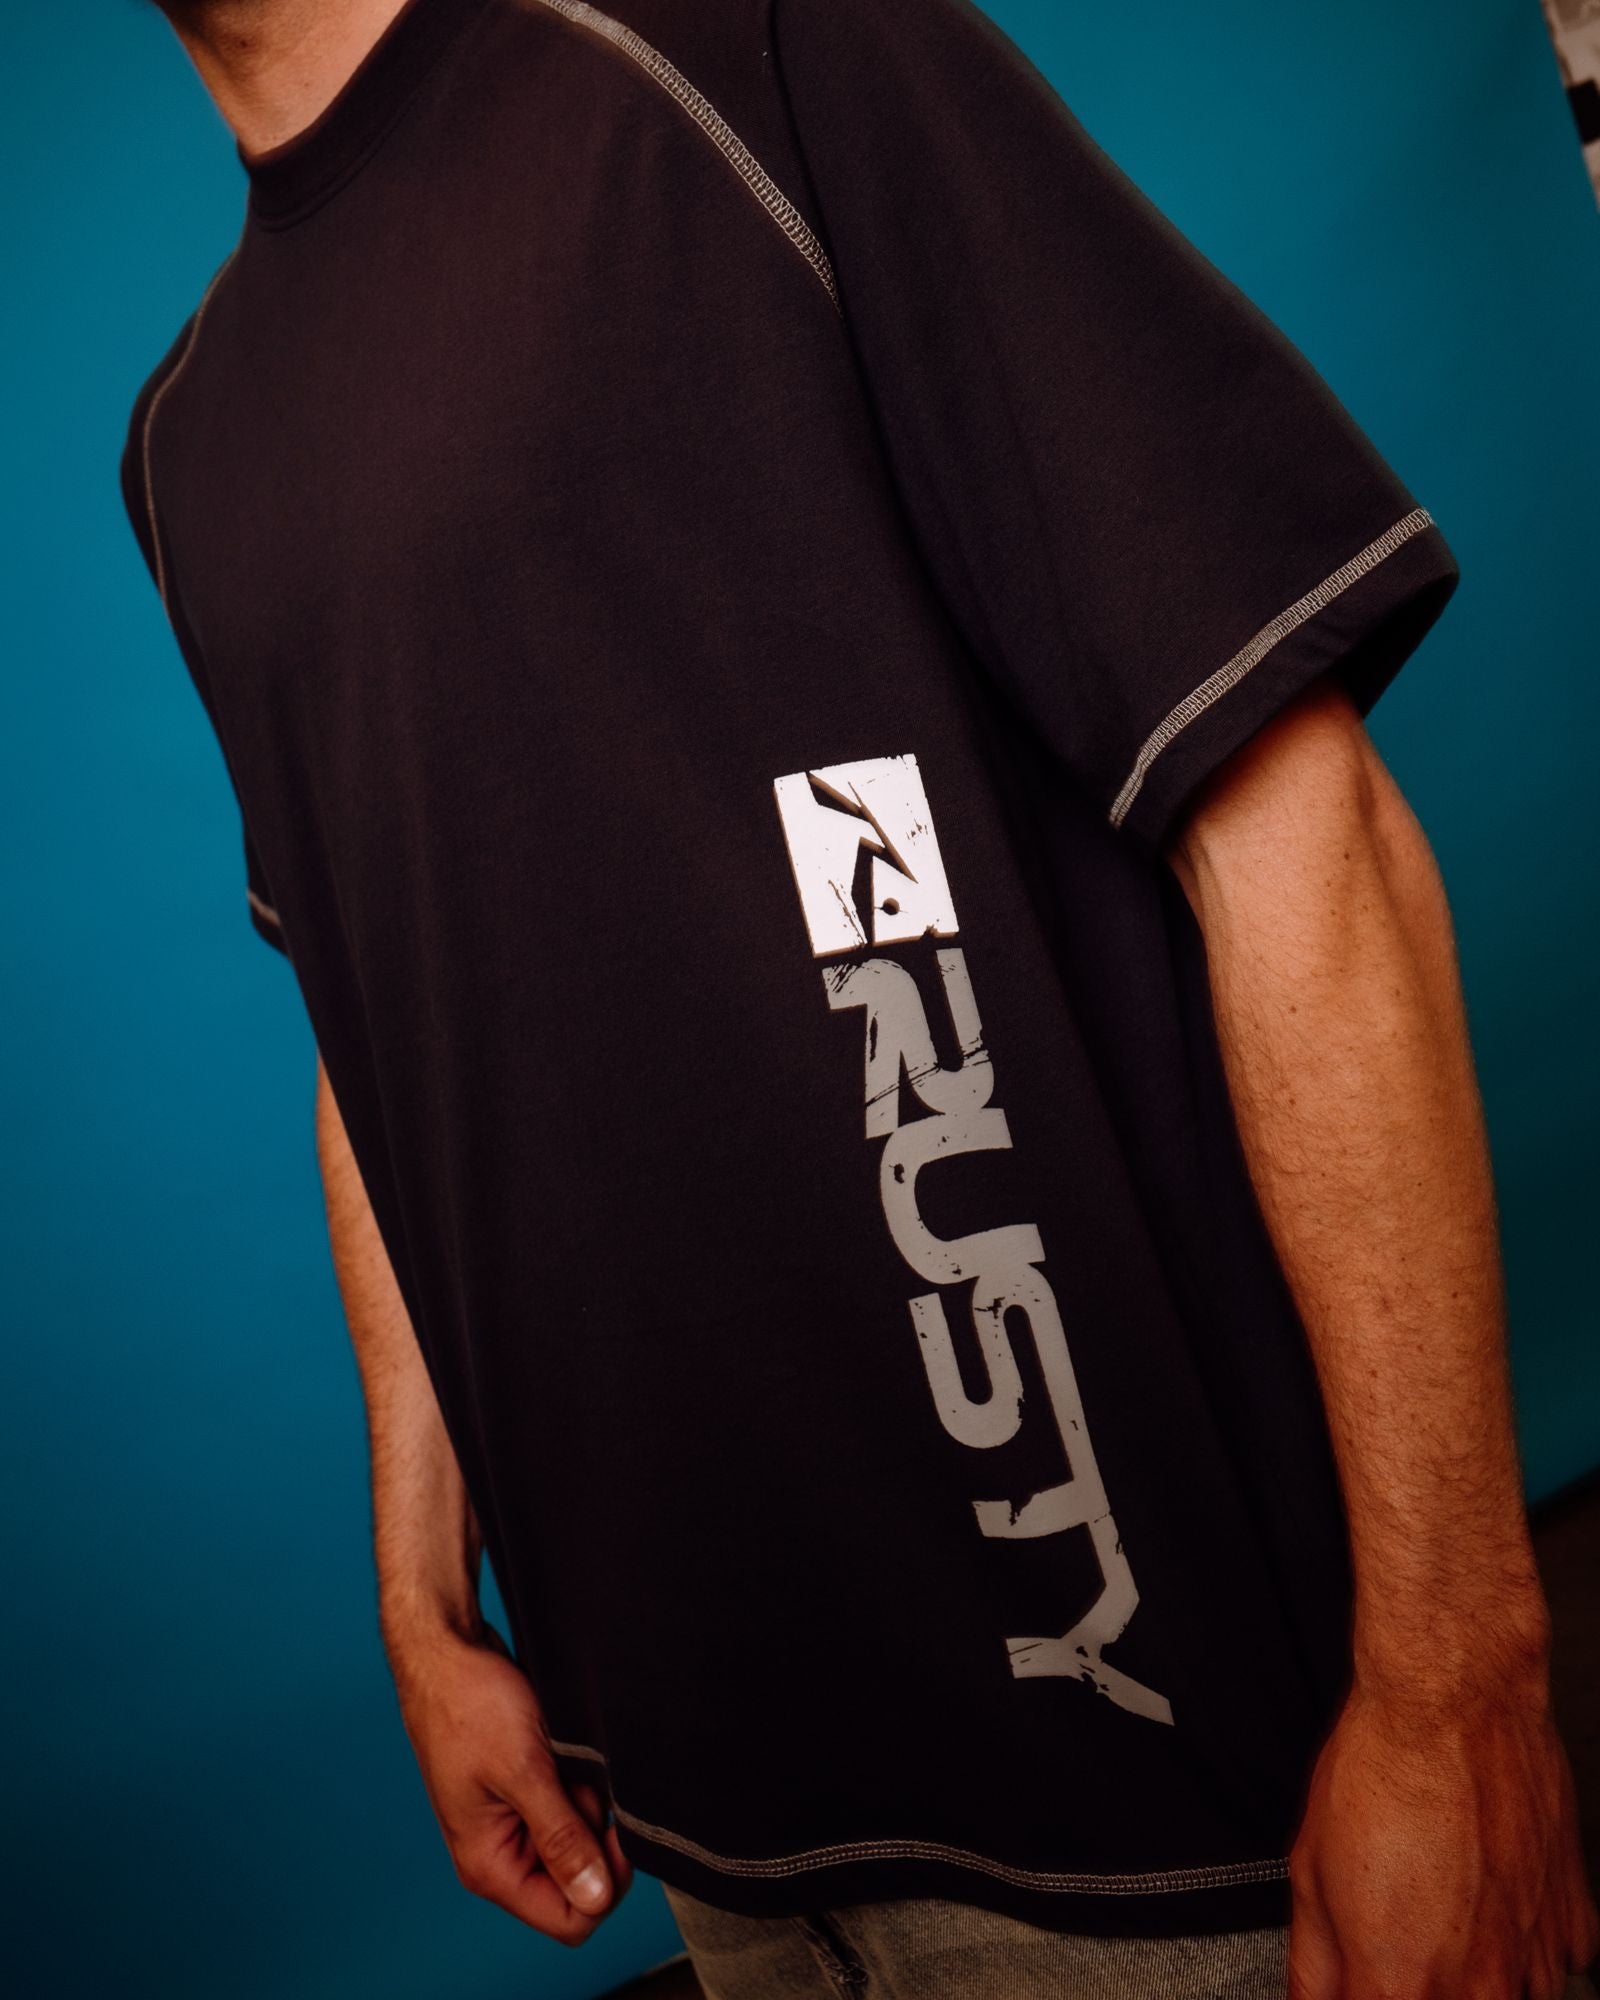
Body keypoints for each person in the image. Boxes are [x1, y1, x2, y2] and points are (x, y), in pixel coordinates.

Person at [123, 1, 1598, 1995]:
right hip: (708, 1822)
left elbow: (1293, 818)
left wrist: (1451, 1683)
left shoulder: (750, 56)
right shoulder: (191, 441)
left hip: (1150, 1793)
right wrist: (421, 1598)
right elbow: (375, 1025)